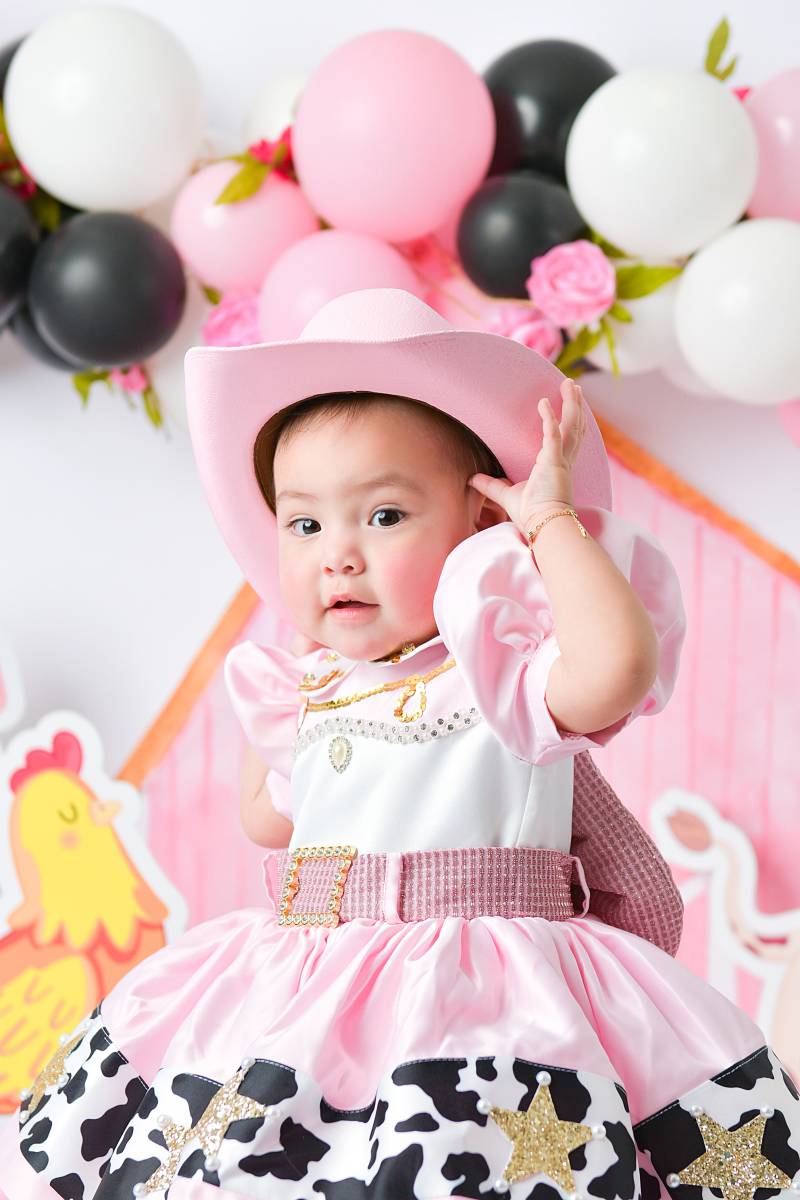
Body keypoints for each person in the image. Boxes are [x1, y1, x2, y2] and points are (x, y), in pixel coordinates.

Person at [2, 288, 798, 1199]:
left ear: (482, 529)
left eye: (383, 516)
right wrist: (298, 709)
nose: (336, 553)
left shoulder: (502, 671)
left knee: (462, 1162)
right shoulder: (311, 688)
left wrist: (549, 524)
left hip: (483, 1000)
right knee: (267, 1156)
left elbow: (617, 667)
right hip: (315, 988)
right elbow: (271, 821)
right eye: (304, 524)